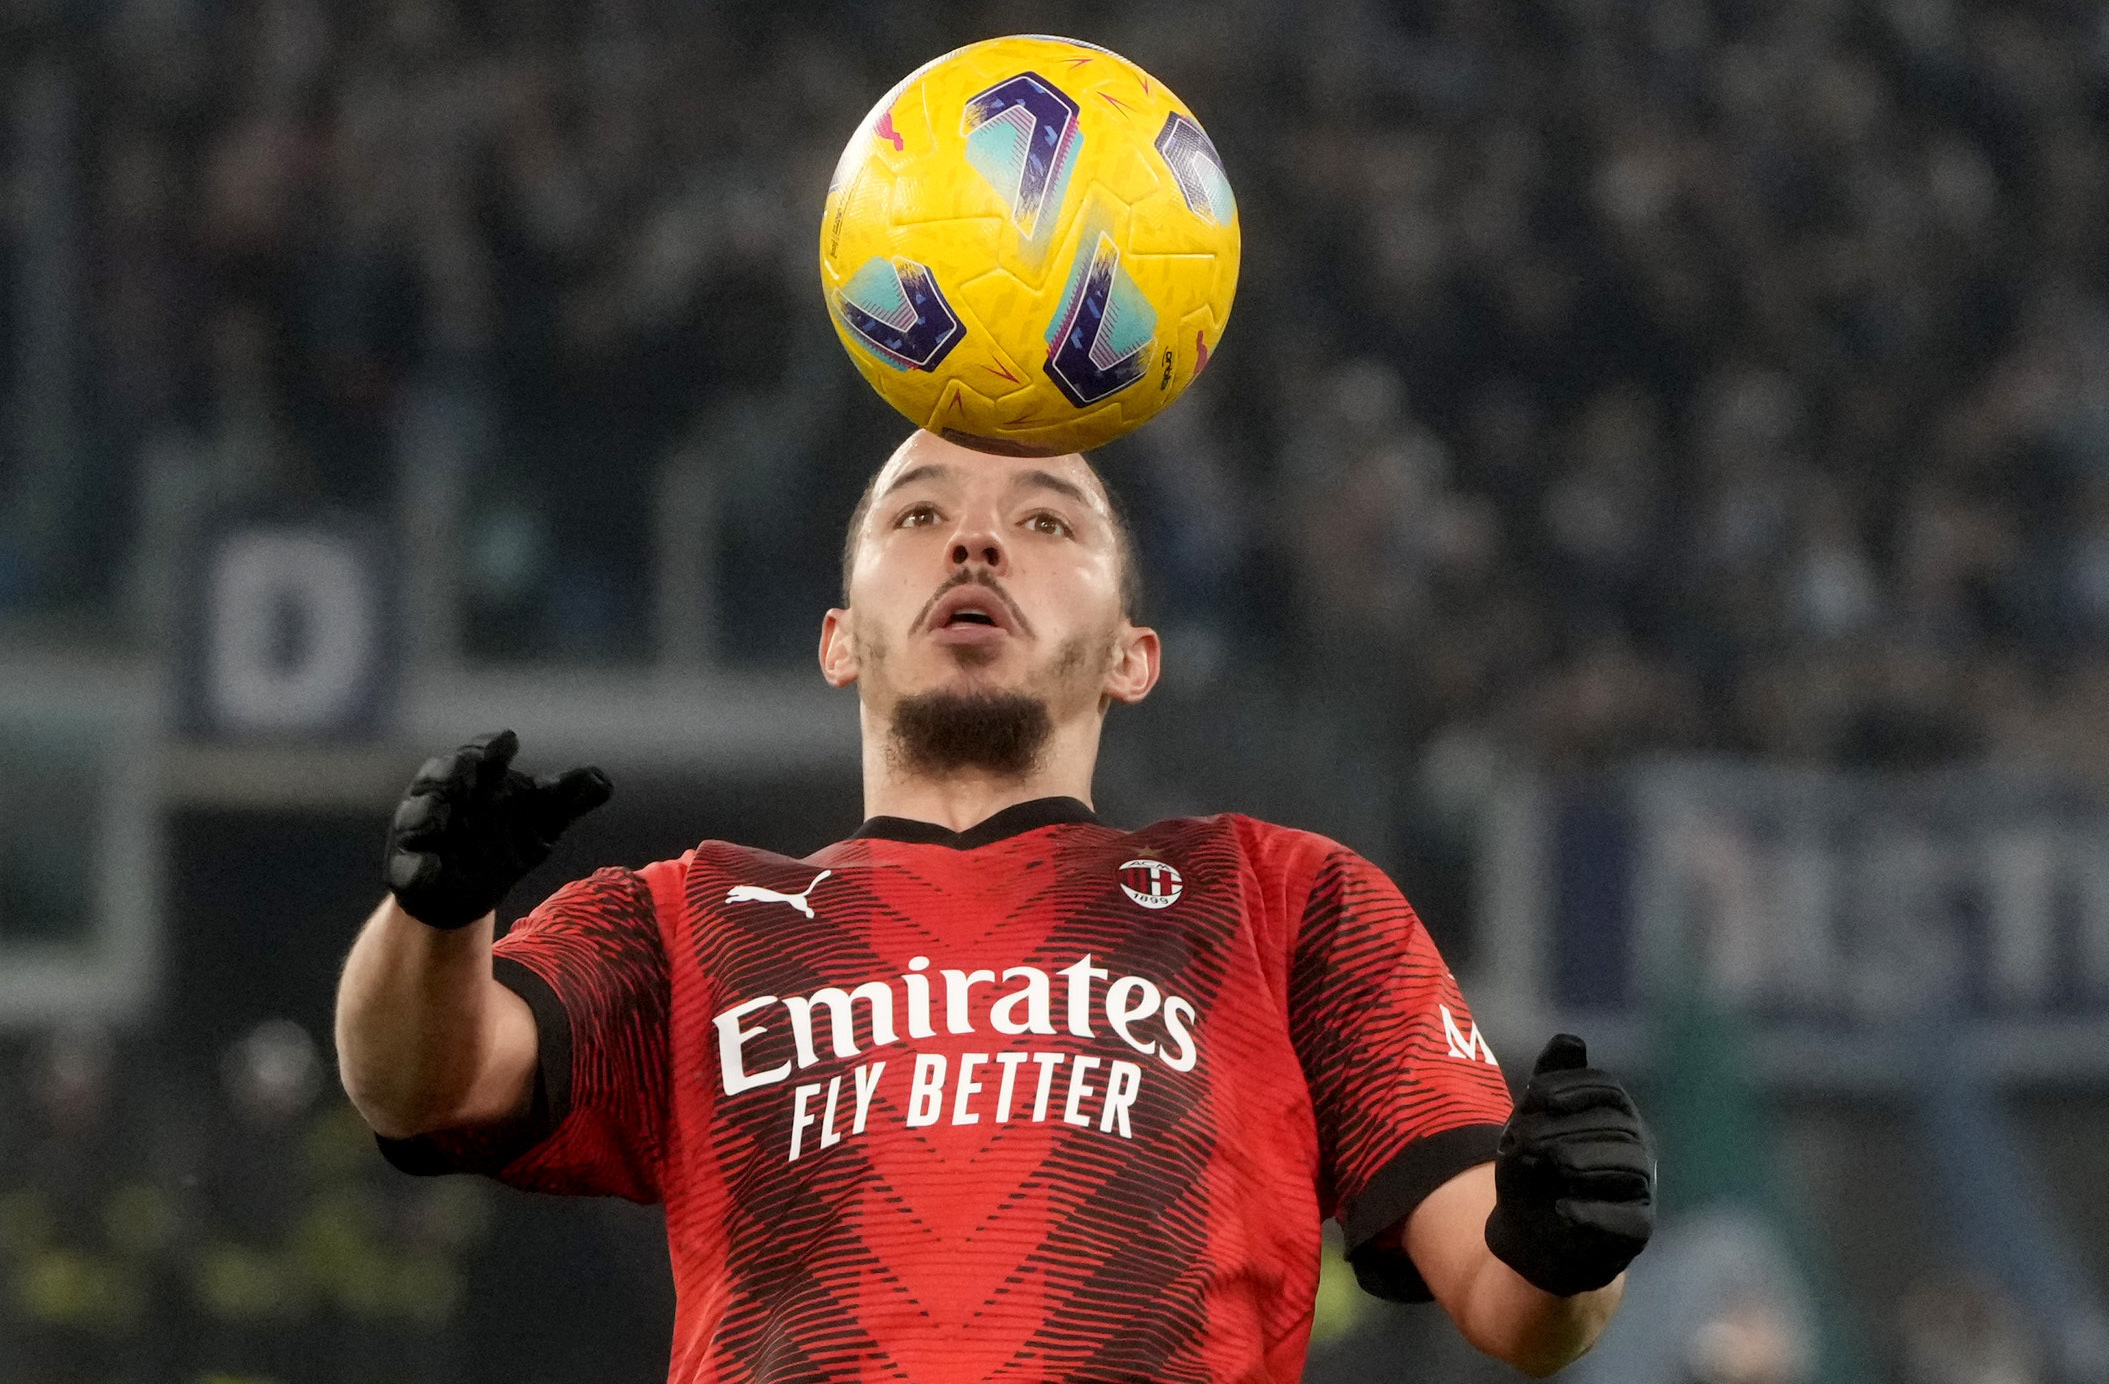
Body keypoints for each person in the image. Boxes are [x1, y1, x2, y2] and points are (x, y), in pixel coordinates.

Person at [334, 429, 1655, 1381]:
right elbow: (414, 1083)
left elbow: (1514, 1303)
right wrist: (435, 916)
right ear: (838, 638)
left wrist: (1568, 1245)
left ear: (1132, 656)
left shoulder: (1287, 902)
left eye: (1047, 522)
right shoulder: (690, 920)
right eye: (916, 517)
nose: (974, 539)